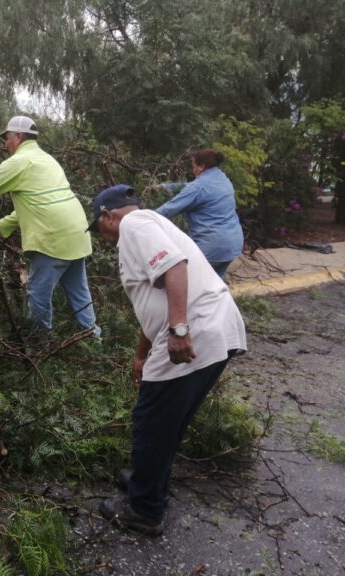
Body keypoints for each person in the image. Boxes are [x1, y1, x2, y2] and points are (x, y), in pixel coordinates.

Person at [88, 184, 247, 535]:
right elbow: (154, 300)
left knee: (151, 420)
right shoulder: (151, 224)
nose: (99, 236)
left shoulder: (134, 226)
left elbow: (175, 268)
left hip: (194, 331)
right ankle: (148, 481)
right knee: (168, 420)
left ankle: (144, 509)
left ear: (108, 216)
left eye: (96, 226)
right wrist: (140, 355)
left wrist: (178, 330)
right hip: (216, 327)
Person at [0, 115, 100, 335]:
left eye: (7, 137)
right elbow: (39, 204)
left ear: (18, 136)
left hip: (53, 237)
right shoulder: (46, 159)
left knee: (38, 295)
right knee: (80, 295)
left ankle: (40, 346)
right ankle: (93, 339)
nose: (5, 143)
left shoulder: (21, 160)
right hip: (76, 233)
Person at [156, 149, 244, 278]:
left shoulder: (198, 187)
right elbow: (191, 187)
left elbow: (169, 209)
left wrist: (141, 218)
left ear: (202, 166)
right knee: (213, 286)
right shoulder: (222, 179)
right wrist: (165, 187)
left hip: (212, 245)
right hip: (233, 243)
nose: (193, 170)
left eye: (194, 166)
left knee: (184, 280)